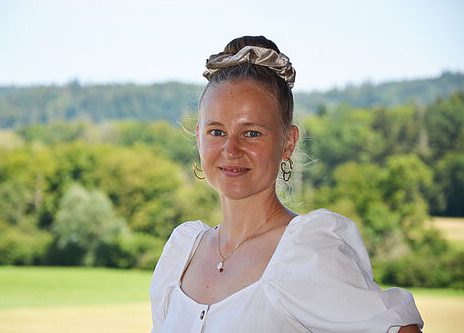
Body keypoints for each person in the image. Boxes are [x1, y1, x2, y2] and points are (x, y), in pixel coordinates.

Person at [149, 35, 424, 332]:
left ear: (287, 143)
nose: (231, 150)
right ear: (199, 138)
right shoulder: (182, 252)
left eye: (251, 133)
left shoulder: (306, 253)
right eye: (216, 132)